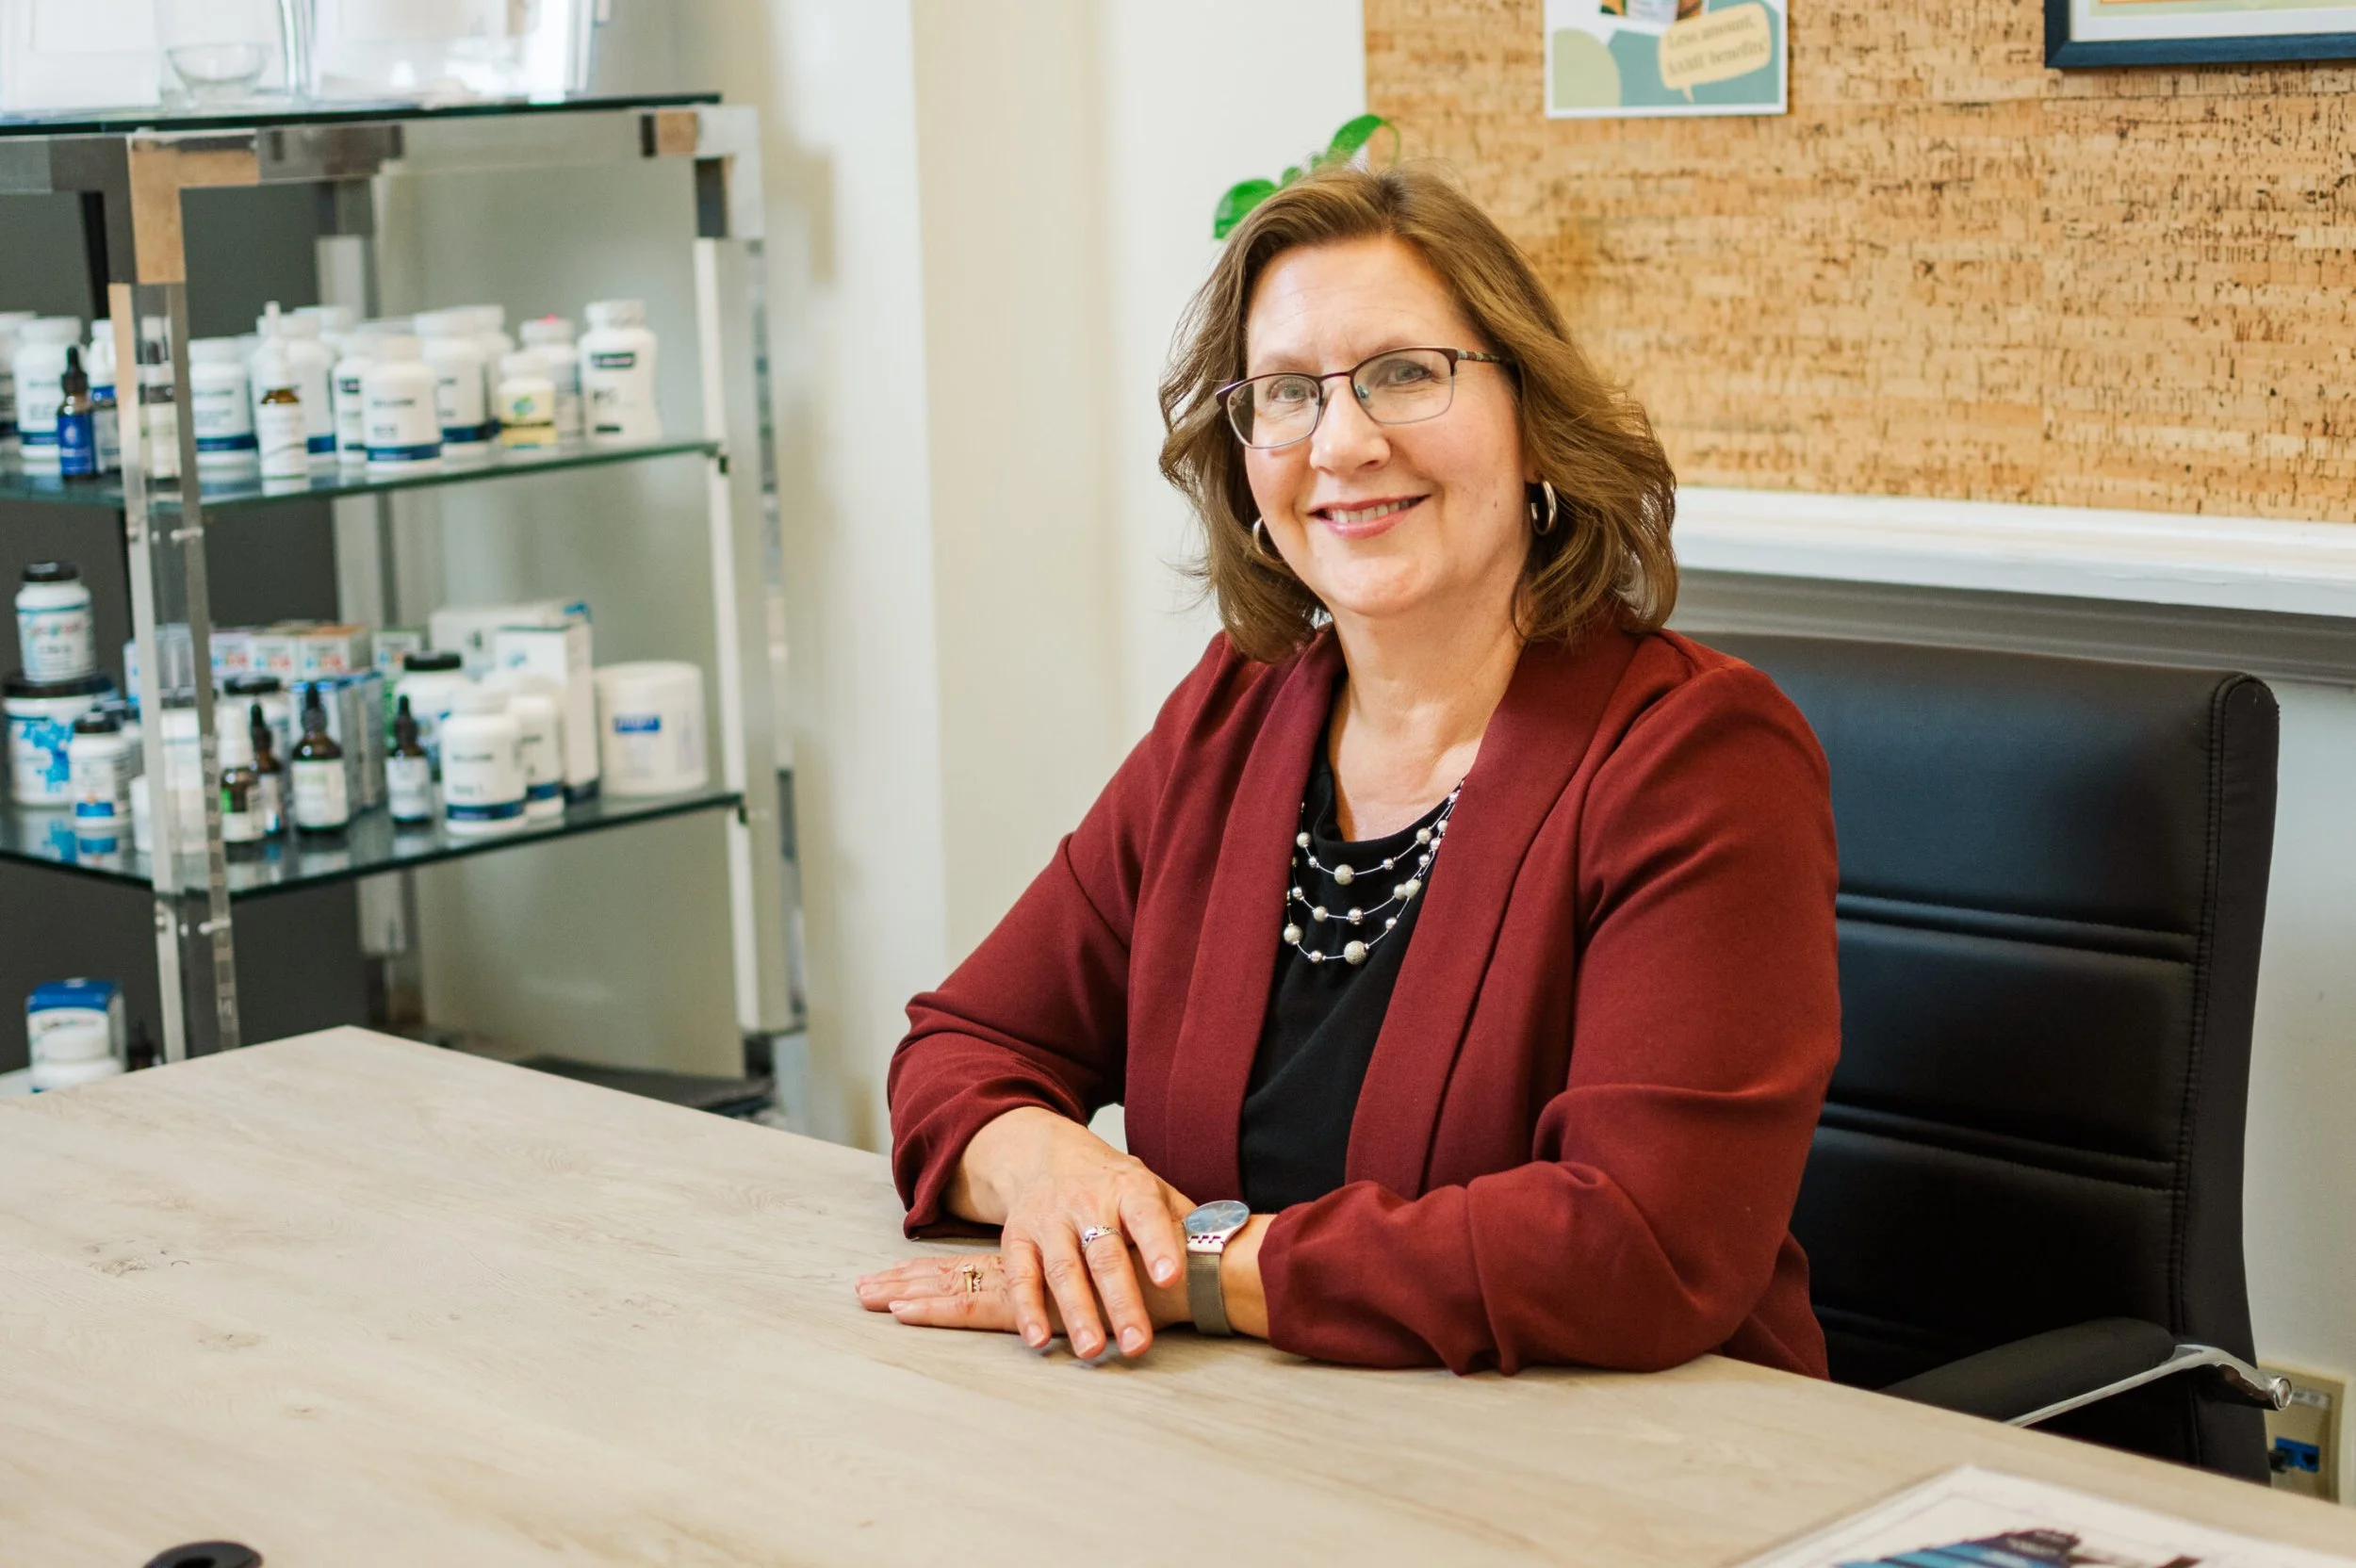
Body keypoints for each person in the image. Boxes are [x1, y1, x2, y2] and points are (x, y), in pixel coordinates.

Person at [855, 162, 1840, 1377]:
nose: (1346, 442)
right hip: (1266, 1452)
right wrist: (1056, 1170)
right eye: (1285, 394)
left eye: (1406, 374)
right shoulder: (1233, 715)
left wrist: (1197, 1271)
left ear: (1531, 415)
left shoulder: (1695, 759)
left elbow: (1632, 1247)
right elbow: (957, 1048)